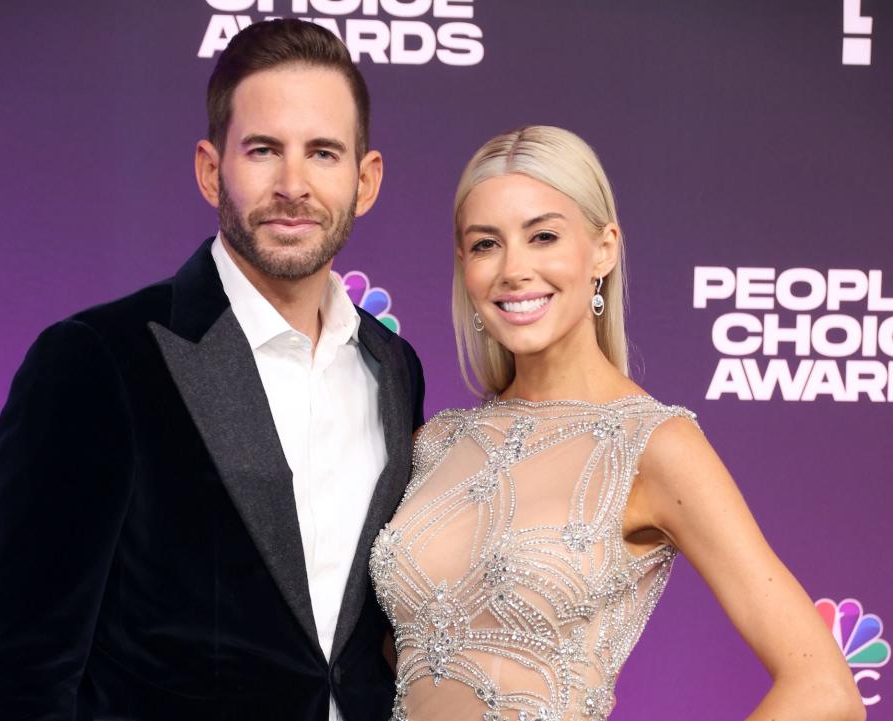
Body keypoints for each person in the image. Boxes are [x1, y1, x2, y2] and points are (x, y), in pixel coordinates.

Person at [0, 19, 424, 721]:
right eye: (263, 150)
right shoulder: (98, 360)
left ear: (366, 179)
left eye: (322, 153)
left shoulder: (393, 369)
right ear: (211, 170)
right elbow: (13, 674)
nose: (293, 185)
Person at [369, 126, 864, 721]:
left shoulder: (653, 445)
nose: (513, 269)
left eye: (544, 236)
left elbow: (825, 689)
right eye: (485, 245)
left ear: (602, 249)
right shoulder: (436, 443)